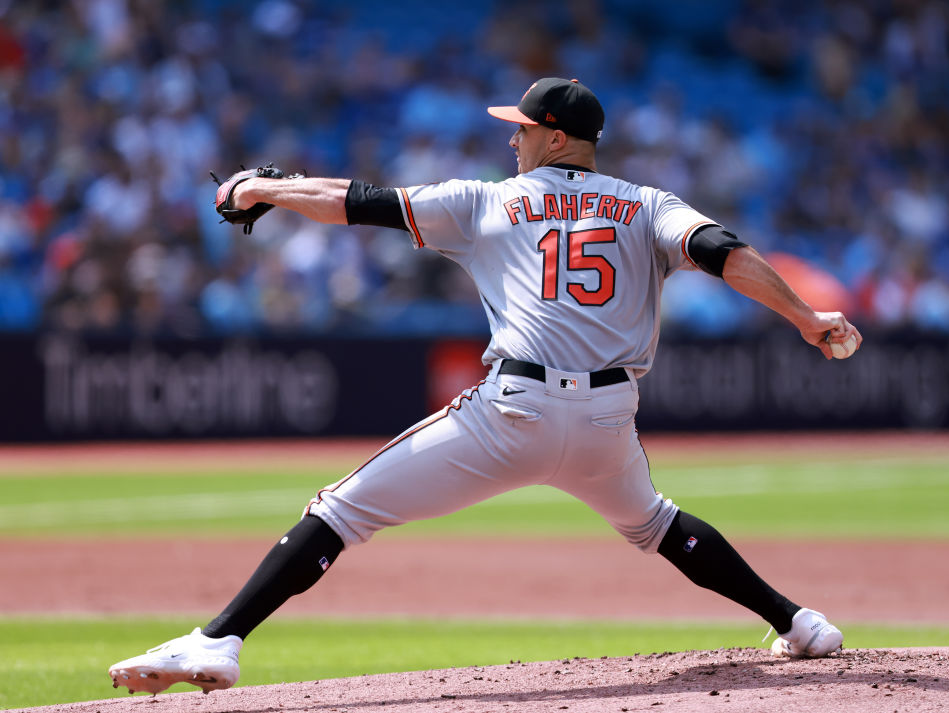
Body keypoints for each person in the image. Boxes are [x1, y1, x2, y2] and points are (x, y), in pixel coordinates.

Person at [108, 77, 858, 696]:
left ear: (557, 137)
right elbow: (723, 251)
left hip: (516, 410)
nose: (515, 138)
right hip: (607, 421)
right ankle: (798, 622)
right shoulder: (650, 203)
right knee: (657, 524)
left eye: (525, 128)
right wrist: (803, 315)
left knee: (342, 507)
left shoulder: (491, 200)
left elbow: (359, 201)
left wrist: (261, 190)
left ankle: (217, 640)